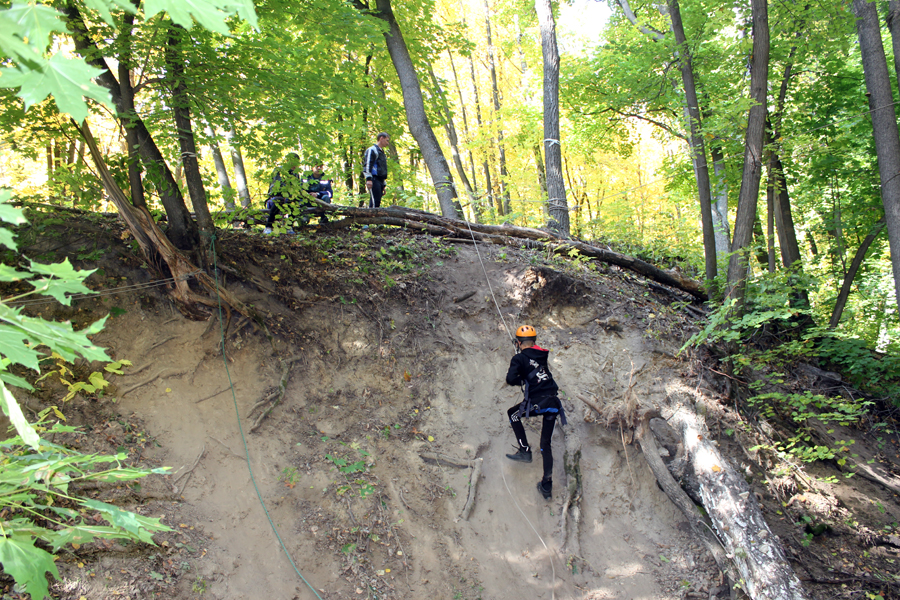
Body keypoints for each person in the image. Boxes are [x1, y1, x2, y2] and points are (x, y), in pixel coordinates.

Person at [504, 325, 566, 500]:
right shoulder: (541, 355)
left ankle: (525, 451)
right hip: (553, 402)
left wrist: (519, 379)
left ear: (518, 343)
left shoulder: (519, 358)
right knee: (545, 445)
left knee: (513, 414)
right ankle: (547, 486)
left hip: (538, 402)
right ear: (534, 341)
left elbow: (510, 379)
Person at [263, 152, 303, 234]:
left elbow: (297, 188)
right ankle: (268, 226)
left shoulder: (296, 174)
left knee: (295, 202)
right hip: (276, 198)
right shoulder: (278, 171)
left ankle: (289, 227)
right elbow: (274, 187)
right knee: (278, 200)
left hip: (289, 198)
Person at [363, 132, 390, 208]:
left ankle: (374, 218)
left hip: (380, 180)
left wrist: (383, 184)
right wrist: (368, 179)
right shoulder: (372, 150)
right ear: (381, 138)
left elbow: (381, 169)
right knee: (374, 202)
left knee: (377, 201)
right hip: (373, 179)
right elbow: (368, 165)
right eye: (387, 140)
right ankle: (370, 218)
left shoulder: (382, 152)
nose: (387, 143)